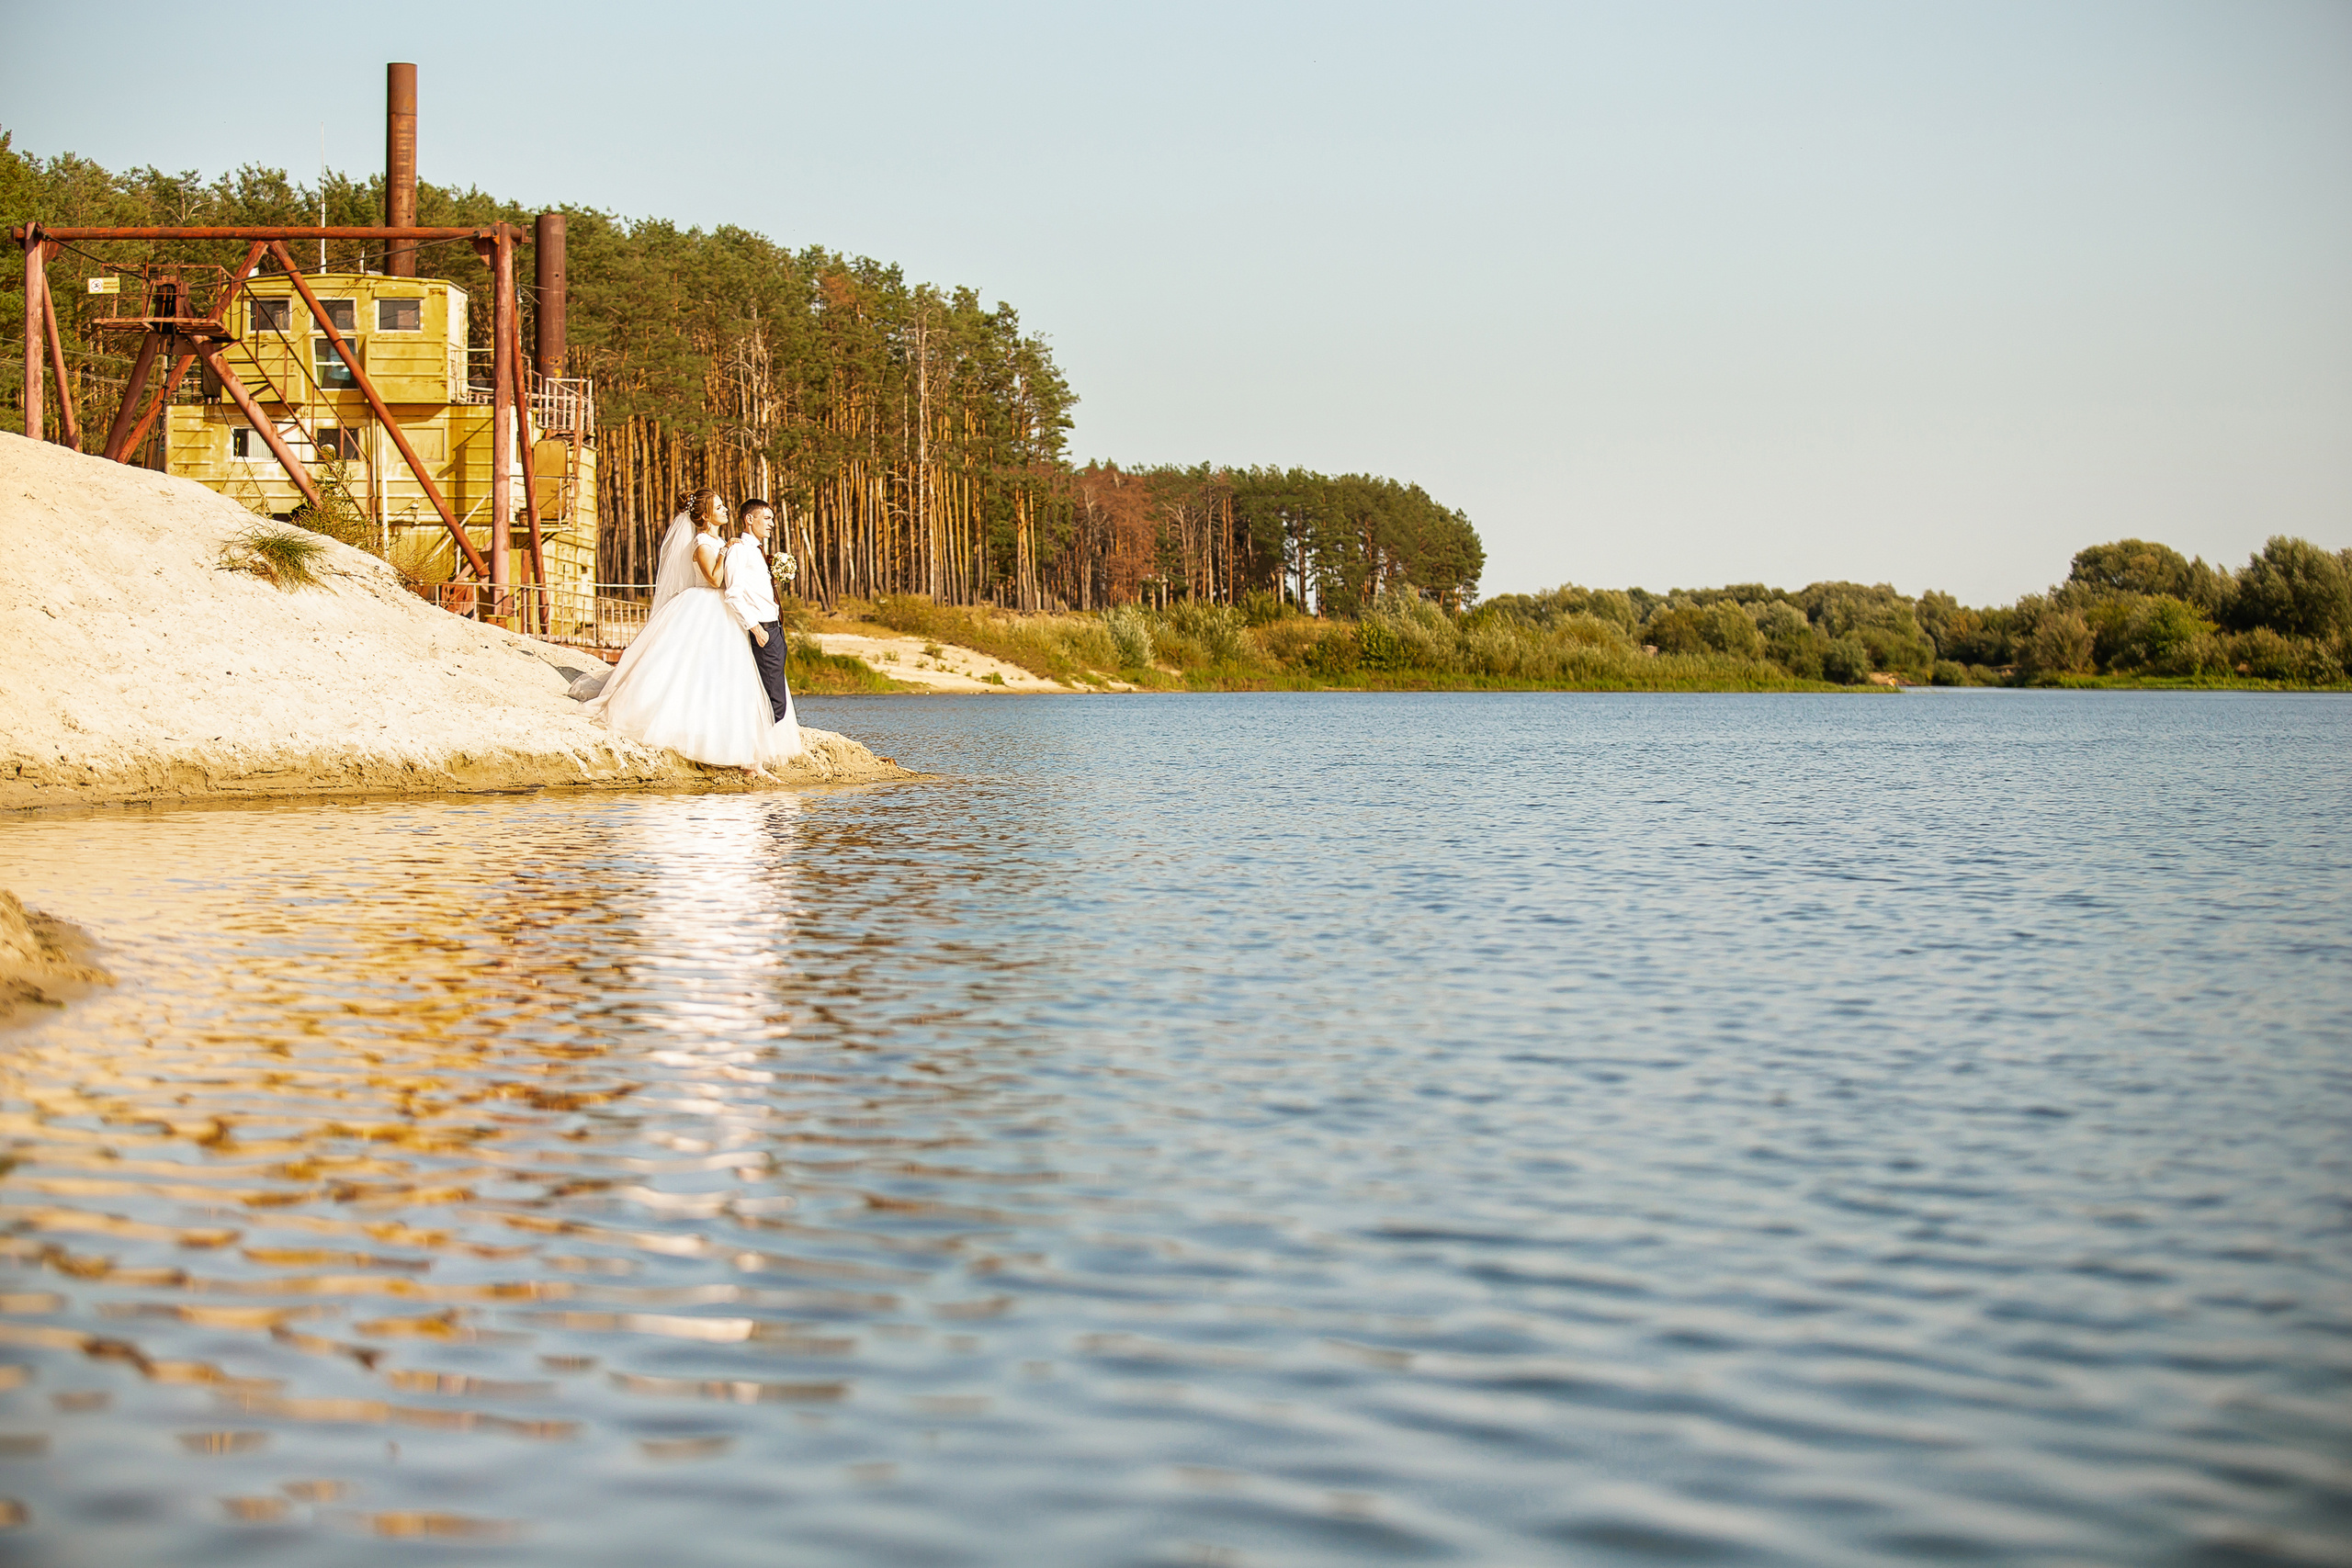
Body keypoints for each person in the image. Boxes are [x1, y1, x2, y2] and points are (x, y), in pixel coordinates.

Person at [584, 490, 791, 775]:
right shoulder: (703, 543)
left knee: (724, 679)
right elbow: (715, 579)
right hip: (704, 607)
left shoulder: (721, 541)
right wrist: (727, 553)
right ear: (705, 516)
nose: (725, 510)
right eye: (719, 507)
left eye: (724, 504)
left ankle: (734, 742)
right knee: (689, 673)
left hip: (723, 615)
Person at [725, 498, 803, 758]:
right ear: (750, 519)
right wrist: (756, 628)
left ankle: (757, 754)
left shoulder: (758, 553)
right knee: (774, 701)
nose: (771, 524)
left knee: (772, 695)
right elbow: (733, 594)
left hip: (776, 628)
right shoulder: (740, 551)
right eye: (766, 518)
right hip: (763, 631)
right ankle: (751, 756)